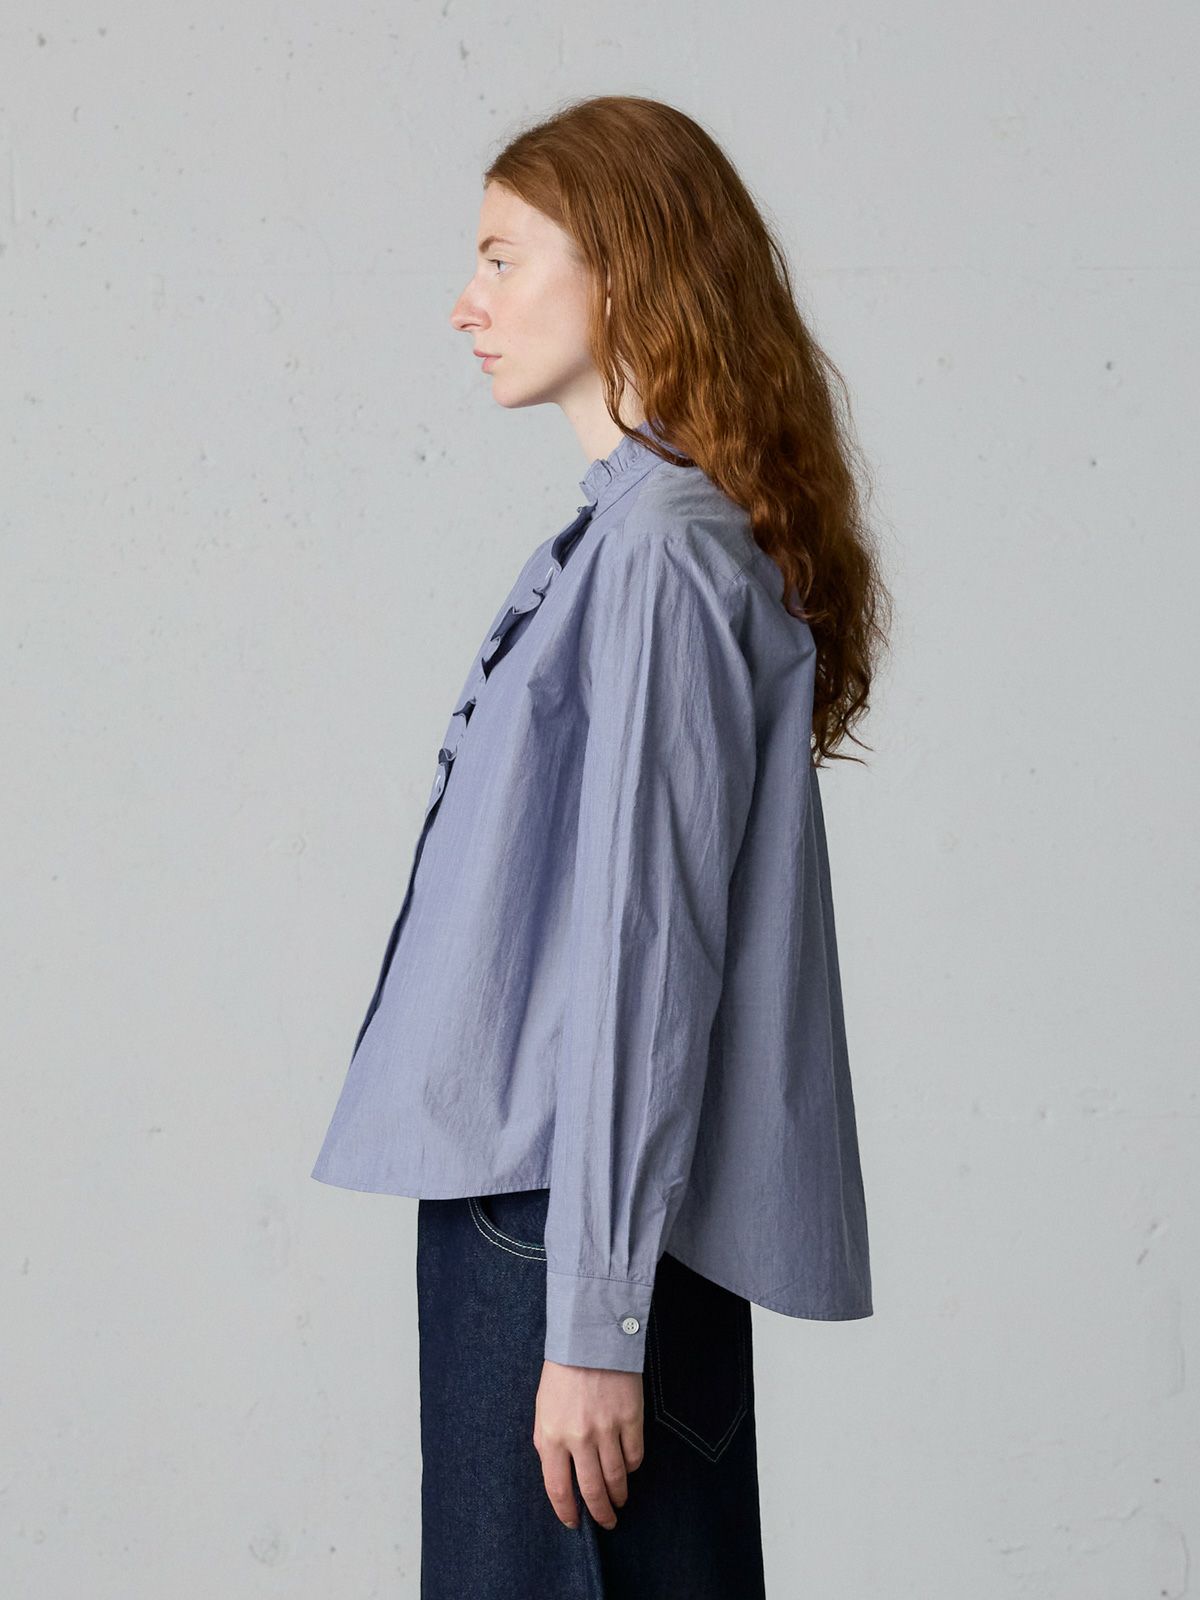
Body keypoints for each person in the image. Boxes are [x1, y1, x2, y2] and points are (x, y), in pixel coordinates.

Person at [311, 93, 890, 1598]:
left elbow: (645, 948)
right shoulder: (642, 538)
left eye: (504, 259)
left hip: (568, 1225)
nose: (467, 303)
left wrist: (593, 1321)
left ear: (625, 269)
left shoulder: (656, 552)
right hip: (582, 1220)